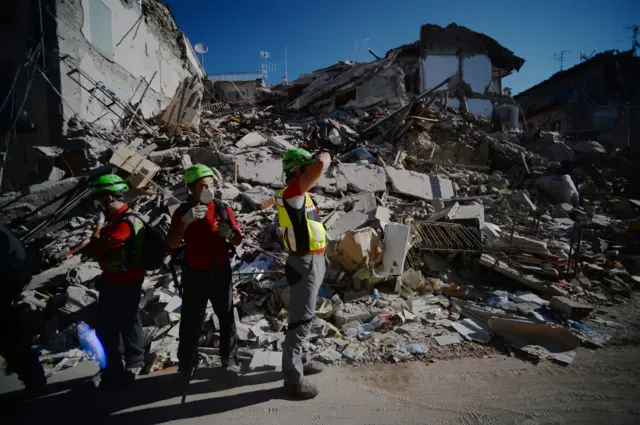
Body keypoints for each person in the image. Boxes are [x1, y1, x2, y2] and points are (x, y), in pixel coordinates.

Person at [164, 164, 243, 376]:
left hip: (220, 272)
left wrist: (229, 234)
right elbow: (171, 244)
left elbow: (237, 239)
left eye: (210, 185)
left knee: (226, 317)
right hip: (195, 273)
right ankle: (187, 363)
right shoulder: (182, 212)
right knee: (191, 320)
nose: (208, 189)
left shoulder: (222, 208)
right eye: (202, 186)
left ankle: (230, 359)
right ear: (192, 189)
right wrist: (185, 222)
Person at [273, 148, 331, 399]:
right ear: (297, 170)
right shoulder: (294, 192)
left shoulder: (300, 194)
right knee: (300, 320)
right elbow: (321, 163)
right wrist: (326, 151)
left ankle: (301, 360)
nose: (312, 172)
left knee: (304, 316)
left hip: (312, 260)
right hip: (304, 263)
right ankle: (293, 381)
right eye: (305, 168)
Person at [85, 174, 145, 389]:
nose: (99, 204)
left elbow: (97, 246)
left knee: (128, 323)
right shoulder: (116, 220)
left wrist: (98, 226)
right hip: (112, 279)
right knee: (106, 326)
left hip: (126, 280)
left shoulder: (126, 223)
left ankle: (135, 363)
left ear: (108, 198)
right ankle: (112, 367)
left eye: (100, 199)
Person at [0, 224, 46, 395]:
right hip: (9, 290)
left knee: (11, 341)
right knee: (13, 341)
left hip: (5, 291)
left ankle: (34, 380)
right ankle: (33, 378)